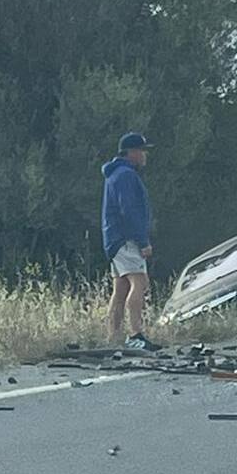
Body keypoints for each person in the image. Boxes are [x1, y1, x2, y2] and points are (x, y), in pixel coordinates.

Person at [101, 132, 160, 351]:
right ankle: (135, 334)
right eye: (143, 150)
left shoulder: (115, 174)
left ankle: (113, 336)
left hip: (115, 239)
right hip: (127, 239)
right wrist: (142, 240)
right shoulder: (126, 176)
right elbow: (131, 211)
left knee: (121, 287)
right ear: (132, 152)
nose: (145, 155)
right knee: (140, 283)